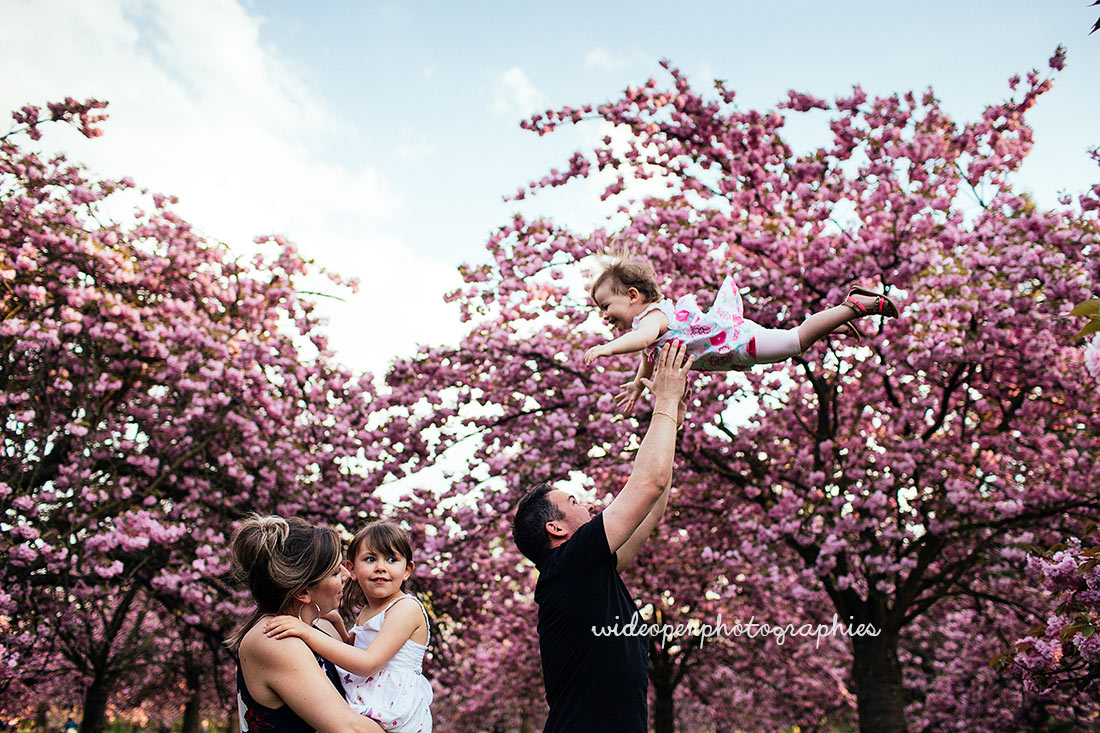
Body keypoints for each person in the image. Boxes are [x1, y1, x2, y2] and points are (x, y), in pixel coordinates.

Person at [512, 340, 693, 732]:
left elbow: (652, 502)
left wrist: (672, 421)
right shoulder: (568, 564)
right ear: (556, 528)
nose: (591, 504)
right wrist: (664, 400)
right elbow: (648, 483)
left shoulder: (587, 572)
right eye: (574, 501)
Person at [582, 251, 899, 413]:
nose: (604, 315)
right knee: (794, 339)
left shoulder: (651, 319)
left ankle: (855, 305)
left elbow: (642, 340)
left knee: (796, 341)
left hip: (739, 342)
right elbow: (647, 359)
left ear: (633, 295)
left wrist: (608, 348)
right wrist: (638, 386)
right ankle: (832, 323)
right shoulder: (648, 327)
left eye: (606, 306)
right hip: (735, 346)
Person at [265, 521, 432, 733]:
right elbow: (355, 650)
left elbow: (368, 662)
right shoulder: (368, 610)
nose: (381, 567)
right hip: (372, 698)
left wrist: (305, 632)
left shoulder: (405, 608)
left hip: (395, 707)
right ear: (352, 569)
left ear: (407, 570)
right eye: (370, 559)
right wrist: (338, 625)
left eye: (392, 559)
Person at [227, 514, 383, 733]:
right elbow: (350, 728)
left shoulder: (320, 627)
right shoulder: (274, 639)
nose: (347, 574)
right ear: (303, 592)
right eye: (335, 572)